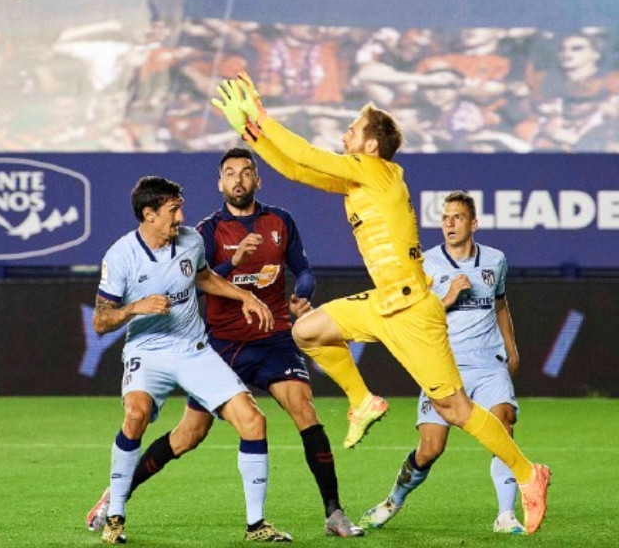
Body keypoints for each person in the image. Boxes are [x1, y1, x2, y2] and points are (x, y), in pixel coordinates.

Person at [210, 72, 551, 535]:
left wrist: (261, 118)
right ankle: (362, 399)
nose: (345, 133)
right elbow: (295, 169)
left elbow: (307, 154)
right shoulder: (361, 180)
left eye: (353, 128)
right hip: (383, 302)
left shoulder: (372, 171)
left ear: (370, 145)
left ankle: (530, 474)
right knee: (307, 332)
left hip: (413, 311)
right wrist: (250, 133)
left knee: (455, 410)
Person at [87, 149, 363, 538]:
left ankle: (330, 513)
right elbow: (192, 285)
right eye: (230, 173)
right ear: (220, 183)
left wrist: (287, 294)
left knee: (298, 413)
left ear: (257, 179)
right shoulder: (205, 231)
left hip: (270, 340)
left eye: (246, 172)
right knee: (187, 435)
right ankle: (115, 499)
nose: (239, 179)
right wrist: (234, 264)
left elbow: (297, 270)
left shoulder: (277, 222)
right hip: (223, 344)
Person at [92, 175, 291, 544]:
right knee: (135, 416)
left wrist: (243, 297)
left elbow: (204, 278)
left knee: (253, 421)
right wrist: (135, 307)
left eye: (179, 207)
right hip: (146, 350)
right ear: (149, 214)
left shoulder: (191, 241)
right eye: (173, 210)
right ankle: (115, 516)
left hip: (192, 349)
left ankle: (256, 525)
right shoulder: (120, 255)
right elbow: (101, 321)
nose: (181, 216)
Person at [359, 191, 526, 534]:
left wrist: (511, 348)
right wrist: (448, 299)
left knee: (503, 423)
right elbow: (413, 316)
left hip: (487, 362)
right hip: (443, 364)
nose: (449, 224)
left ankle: (506, 515)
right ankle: (393, 501)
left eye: (457, 217)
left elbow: (501, 303)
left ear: (473, 223)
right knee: (430, 449)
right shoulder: (426, 264)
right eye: (445, 218)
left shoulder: (495, 260)